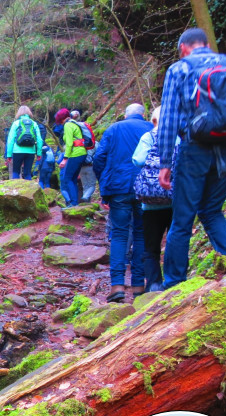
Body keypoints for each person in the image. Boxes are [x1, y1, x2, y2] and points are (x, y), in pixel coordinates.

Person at [157, 28, 226, 288]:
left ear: (183, 48)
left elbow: (168, 119)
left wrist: (165, 162)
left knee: (182, 221)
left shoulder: (179, 69)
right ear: (205, 44)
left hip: (194, 150)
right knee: (212, 212)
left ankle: (174, 286)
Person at [93, 103, 153, 302]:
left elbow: (99, 158)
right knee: (141, 234)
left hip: (118, 188)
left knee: (119, 234)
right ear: (143, 115)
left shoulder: (113, 129)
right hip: (146, 188)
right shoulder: (151, 128)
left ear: (126, 115)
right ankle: (138, 286)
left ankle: (117, 286)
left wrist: (104, 184)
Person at [133, 106, 176, 292]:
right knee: (175, 240)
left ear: (154, 120)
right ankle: (174, 280)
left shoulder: (148, 137)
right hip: (175, 199)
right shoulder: (179, 136)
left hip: (150, 202)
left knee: (151, 247)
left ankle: (154, 284)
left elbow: (138, 160)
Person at [56, 108, 86, 206]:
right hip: (81, 153)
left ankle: (73, 203)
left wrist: (65, 159)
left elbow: (69, 144)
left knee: (67, 178)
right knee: (72, 179)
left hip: (75, 154)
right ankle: (74, 202)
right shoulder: (74, 123)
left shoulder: (68, 125)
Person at [5, 105, 43, 180]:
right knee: (27, 173)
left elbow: (10, 140)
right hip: (31, 151)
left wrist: (8, 154)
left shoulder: (16, 123)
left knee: (16, 172)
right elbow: (39, 140)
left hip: (17, 151)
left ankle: (16, 190)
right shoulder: (34, 124)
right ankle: (30, 191)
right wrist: (39, 153)